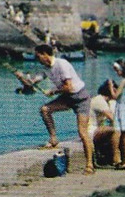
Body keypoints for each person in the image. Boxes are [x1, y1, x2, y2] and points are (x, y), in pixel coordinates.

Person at [33, 43, 96, 174]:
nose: (36, 58)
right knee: (45, 109)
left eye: (38, 56)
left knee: (82, 132)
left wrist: (53, 91)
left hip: (81, 98)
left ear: (45, 54)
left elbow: (70, 87)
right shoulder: (46, 68)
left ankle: (90, 164)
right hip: (67, 98)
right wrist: (27, 81)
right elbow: (35, 80)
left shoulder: (62, 64)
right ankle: (53, 138)